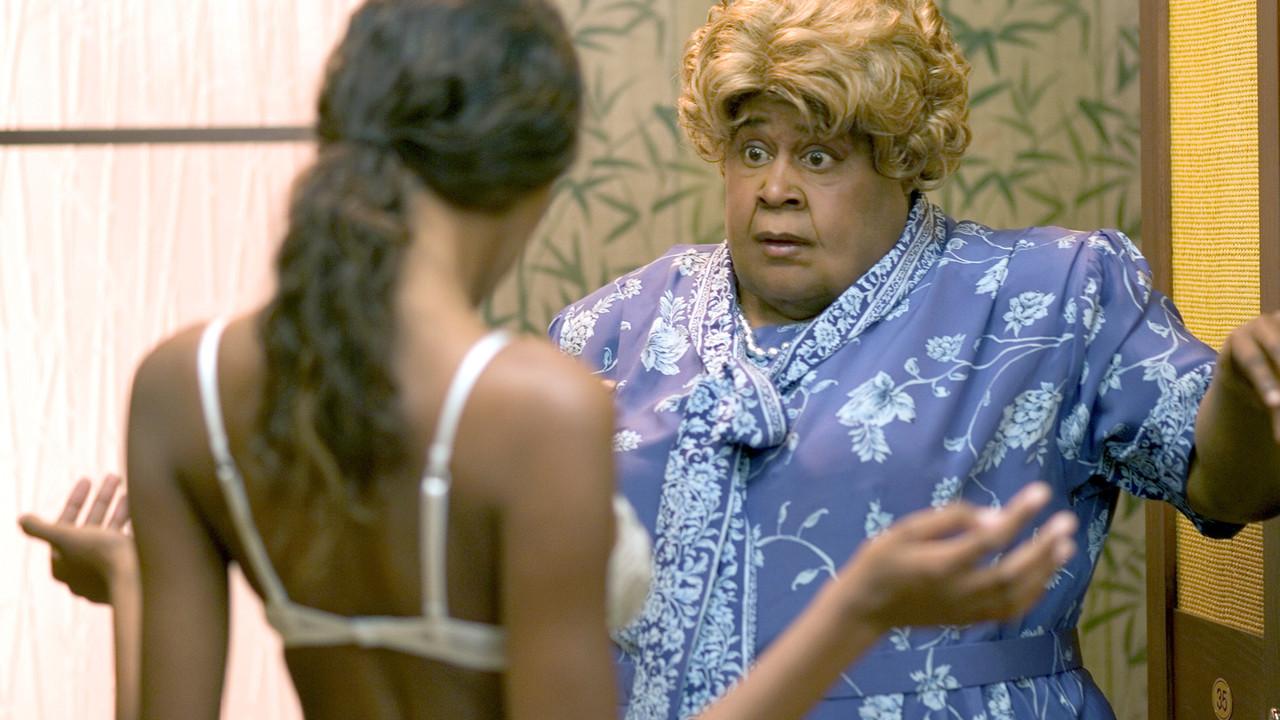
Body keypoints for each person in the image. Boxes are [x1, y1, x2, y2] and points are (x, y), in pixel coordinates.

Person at [19, 1, 1081, 719]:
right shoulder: (538, 407)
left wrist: (131, 578)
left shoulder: (181, 387)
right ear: (536, 176)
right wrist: (861, 606)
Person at [547, 0, 1280, 718]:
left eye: (819, 156)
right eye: (754, 151)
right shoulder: (609, 329)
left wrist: (1246, 396)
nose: (775, 190)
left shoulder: (1052, 298)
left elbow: (1226, 486)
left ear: (903, 160)